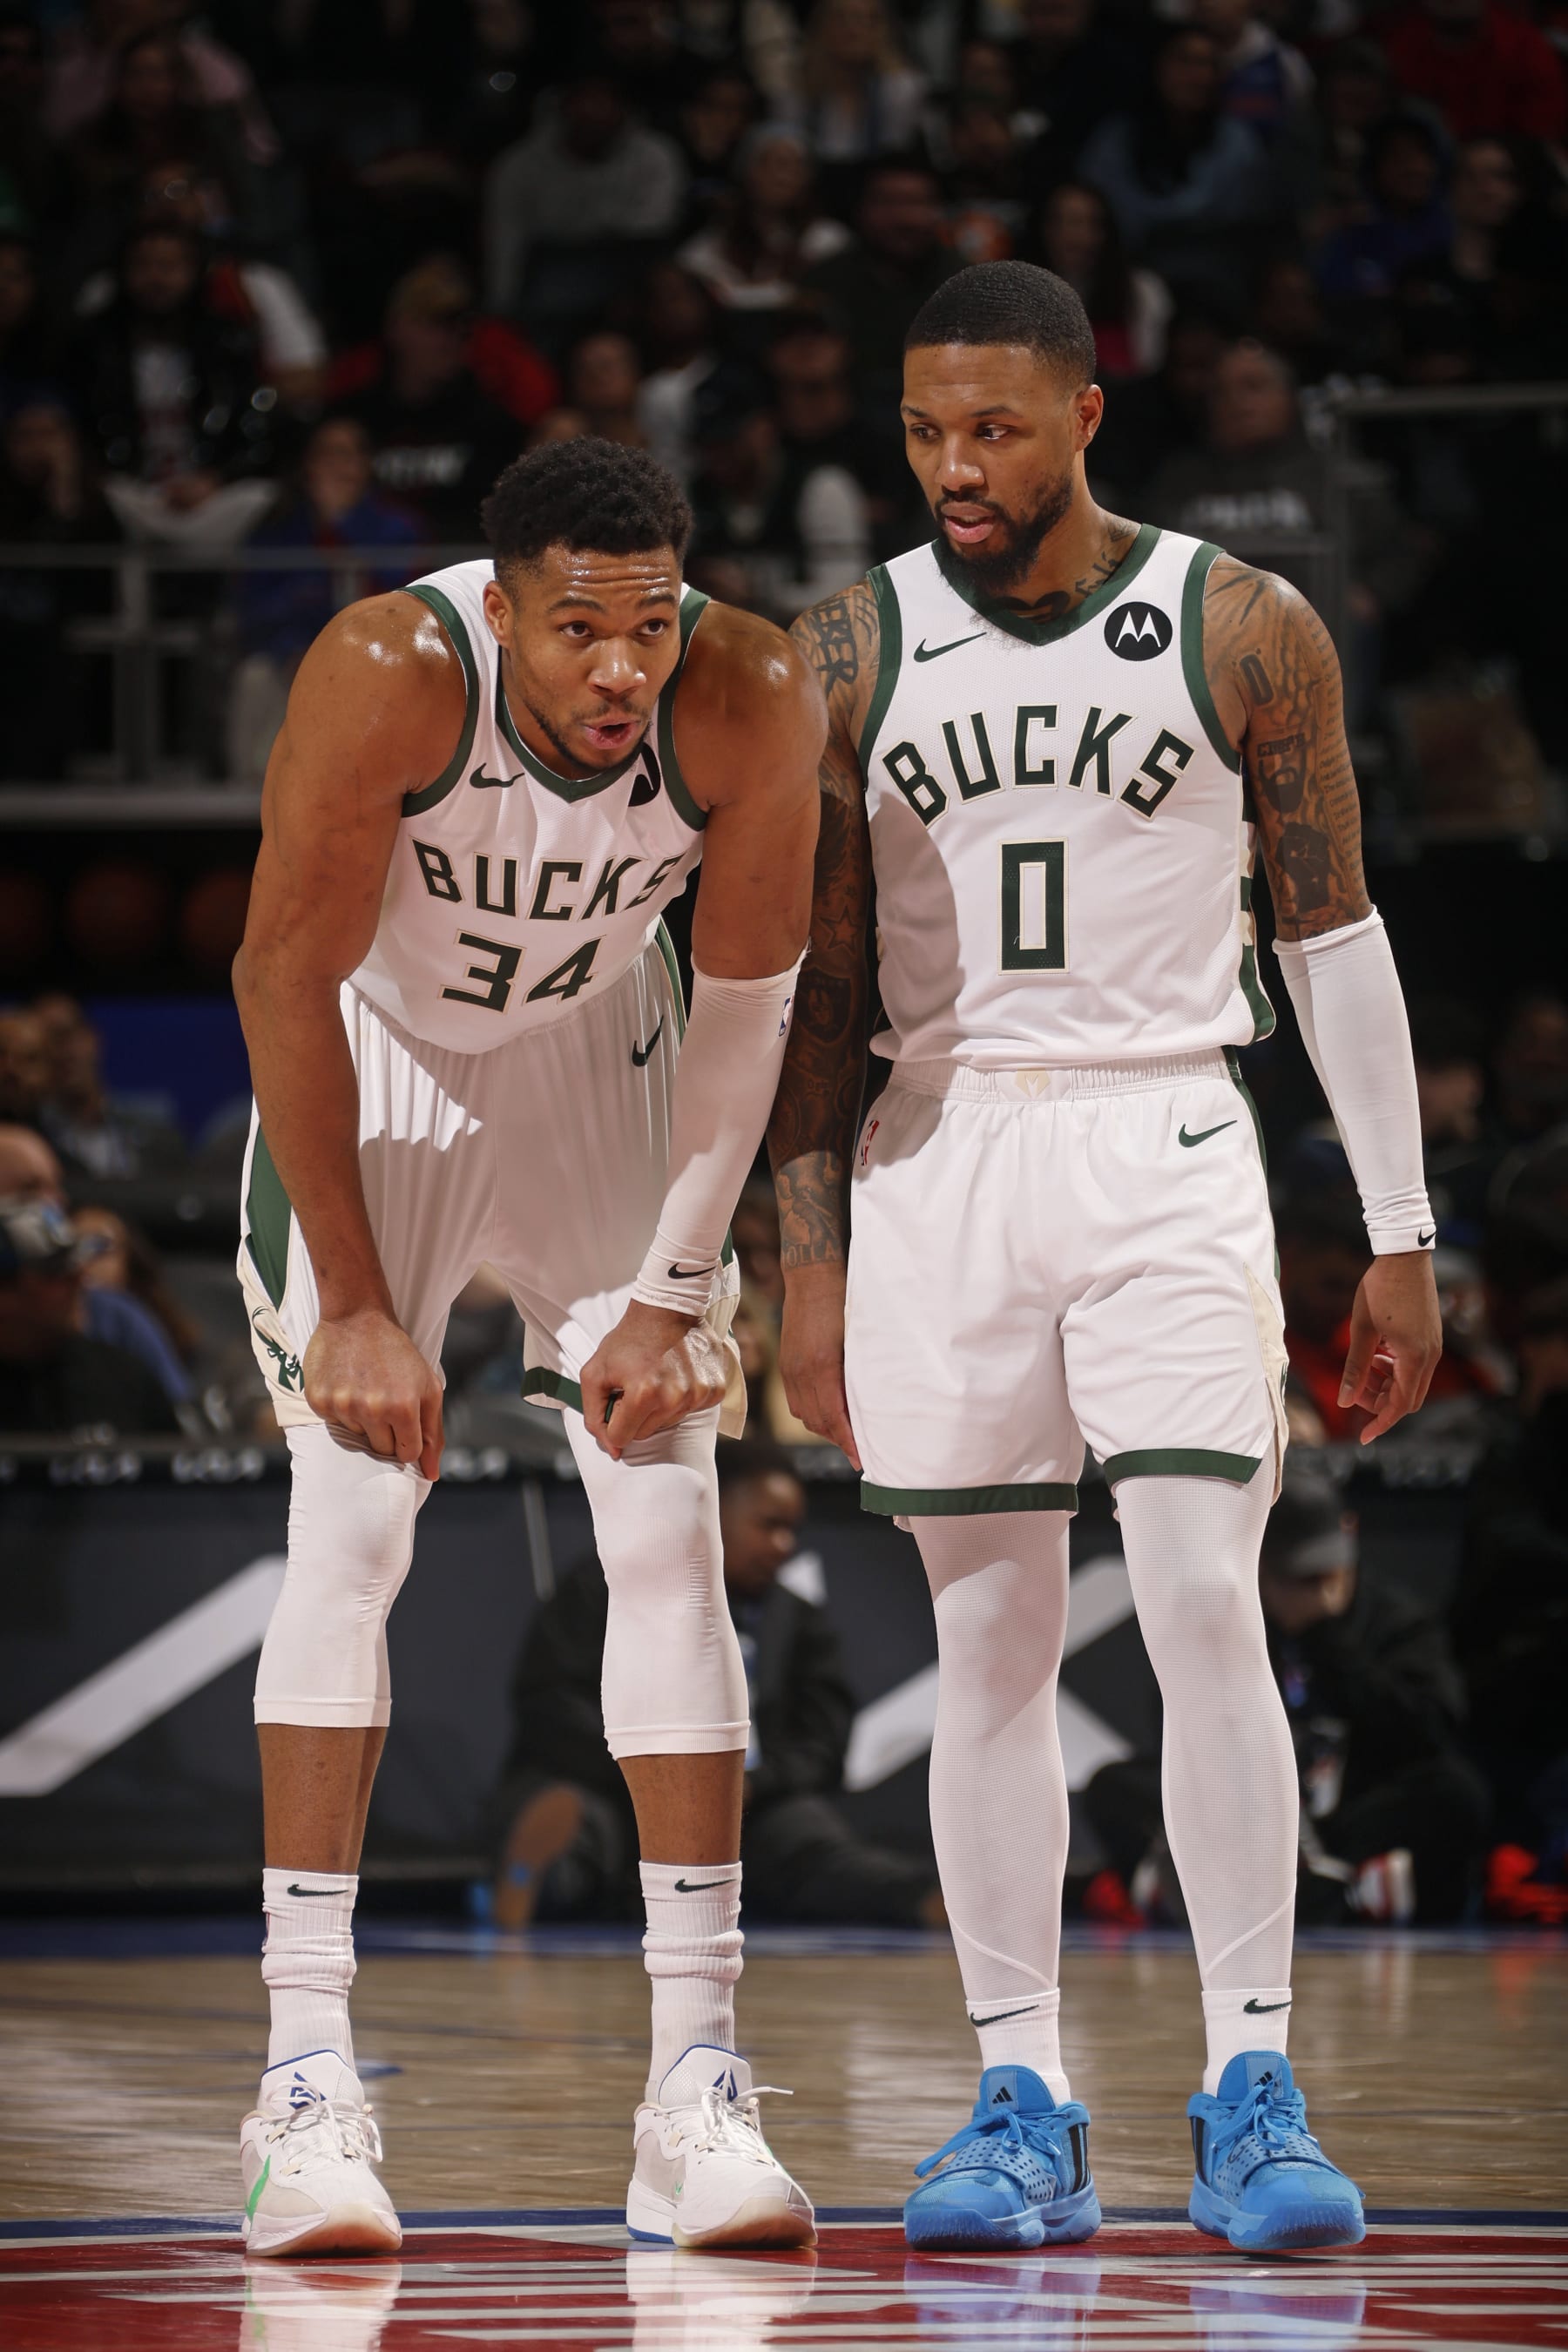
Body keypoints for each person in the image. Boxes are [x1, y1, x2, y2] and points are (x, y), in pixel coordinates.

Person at [769, 259, 1441, 2255]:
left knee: (1202, 1598)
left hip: (1165, 1128)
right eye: (920, 430)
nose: (952, 463)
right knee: (986, 1648)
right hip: (935, 1147)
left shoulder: (1242, 623)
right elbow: (810, 988)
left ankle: (1249, 2072)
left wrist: (1401, 1228)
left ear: (1083, 412)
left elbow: (1330, 929)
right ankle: (1022, 2088)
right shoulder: (842, 648)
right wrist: (800, 1262)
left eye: (990, 424)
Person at [230, 436, 823, 2261]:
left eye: (649, 624)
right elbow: (282, 978)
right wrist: (351, 1300)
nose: (623, 670)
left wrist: (676, 1280)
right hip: (380, 1063)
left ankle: (695, 2085)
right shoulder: (389, 674)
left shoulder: (752, 692)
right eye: (580, 631)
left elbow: (746, 1009)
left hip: (600, 1075)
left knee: (666, 1528)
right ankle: (305, 2076)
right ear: (503, 616)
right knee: (352, 1526)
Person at [492, 1436, 942, 1930]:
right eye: (769, 1526)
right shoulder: (609, 1586)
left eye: (791, 1530)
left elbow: (823, 1745)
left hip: (746, 1808)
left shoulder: (798, 1621)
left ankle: (929, 1901)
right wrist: (659, 1776)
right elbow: (548, 1705)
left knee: (816, 1849)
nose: (784, 1546)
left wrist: (747, 1786)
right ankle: (533, 1875)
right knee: (582, 1829)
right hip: (618, 1789)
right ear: (712, 1508)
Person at [1085, 1450, 1488, 1925]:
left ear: (1349, 1533)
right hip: (1251, 1813)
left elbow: (1427, 1732)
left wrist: (1326, 1639)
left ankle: (1323, 1891)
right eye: (1296, 1577)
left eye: (1326, 1572)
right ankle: (1308, 1890)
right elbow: (1185, 1734)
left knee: (1457, 1792)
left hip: (1349, 1815)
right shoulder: (1228, 1618)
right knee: (1116, 1785)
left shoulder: (1396, 1621)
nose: (1318, 1589)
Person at [0, 1193, 179, 1436]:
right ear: (6, 1292)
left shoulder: (122, 1376)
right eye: (55, 1272)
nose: (79, 1280)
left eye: (75, 1265)